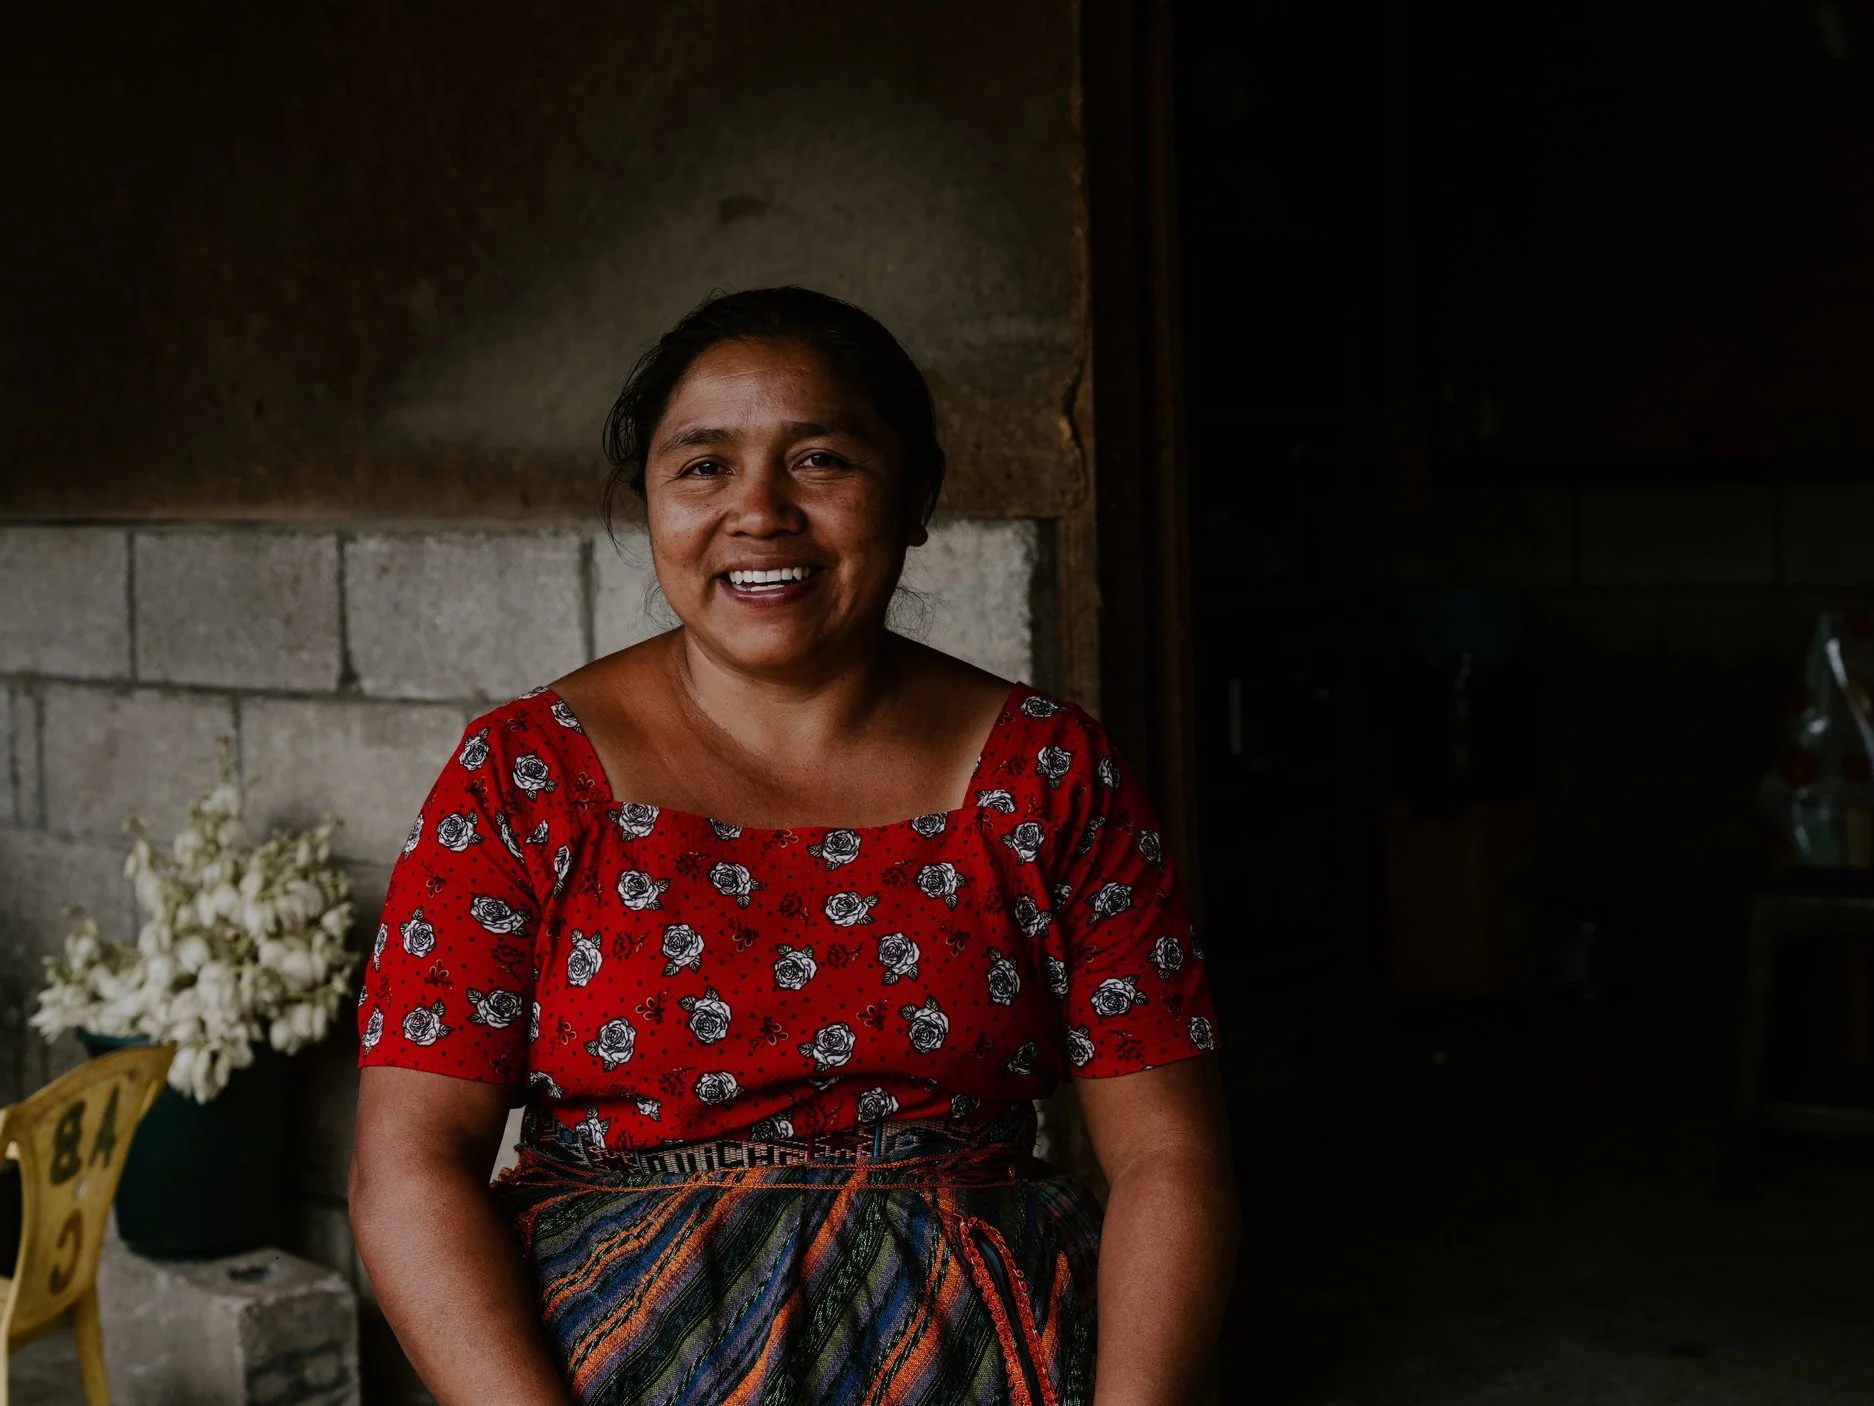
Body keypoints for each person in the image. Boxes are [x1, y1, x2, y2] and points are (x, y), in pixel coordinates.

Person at [348, 287, 1236, 1405]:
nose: (758, 511)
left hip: (990, 1359)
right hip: (600, 1366)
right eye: (703, 465)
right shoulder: (524, 776)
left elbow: (1169, 1155)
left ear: (916, 495)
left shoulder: (1048, 776)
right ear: (652, 503)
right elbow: (407, 1168)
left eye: (820, 460)